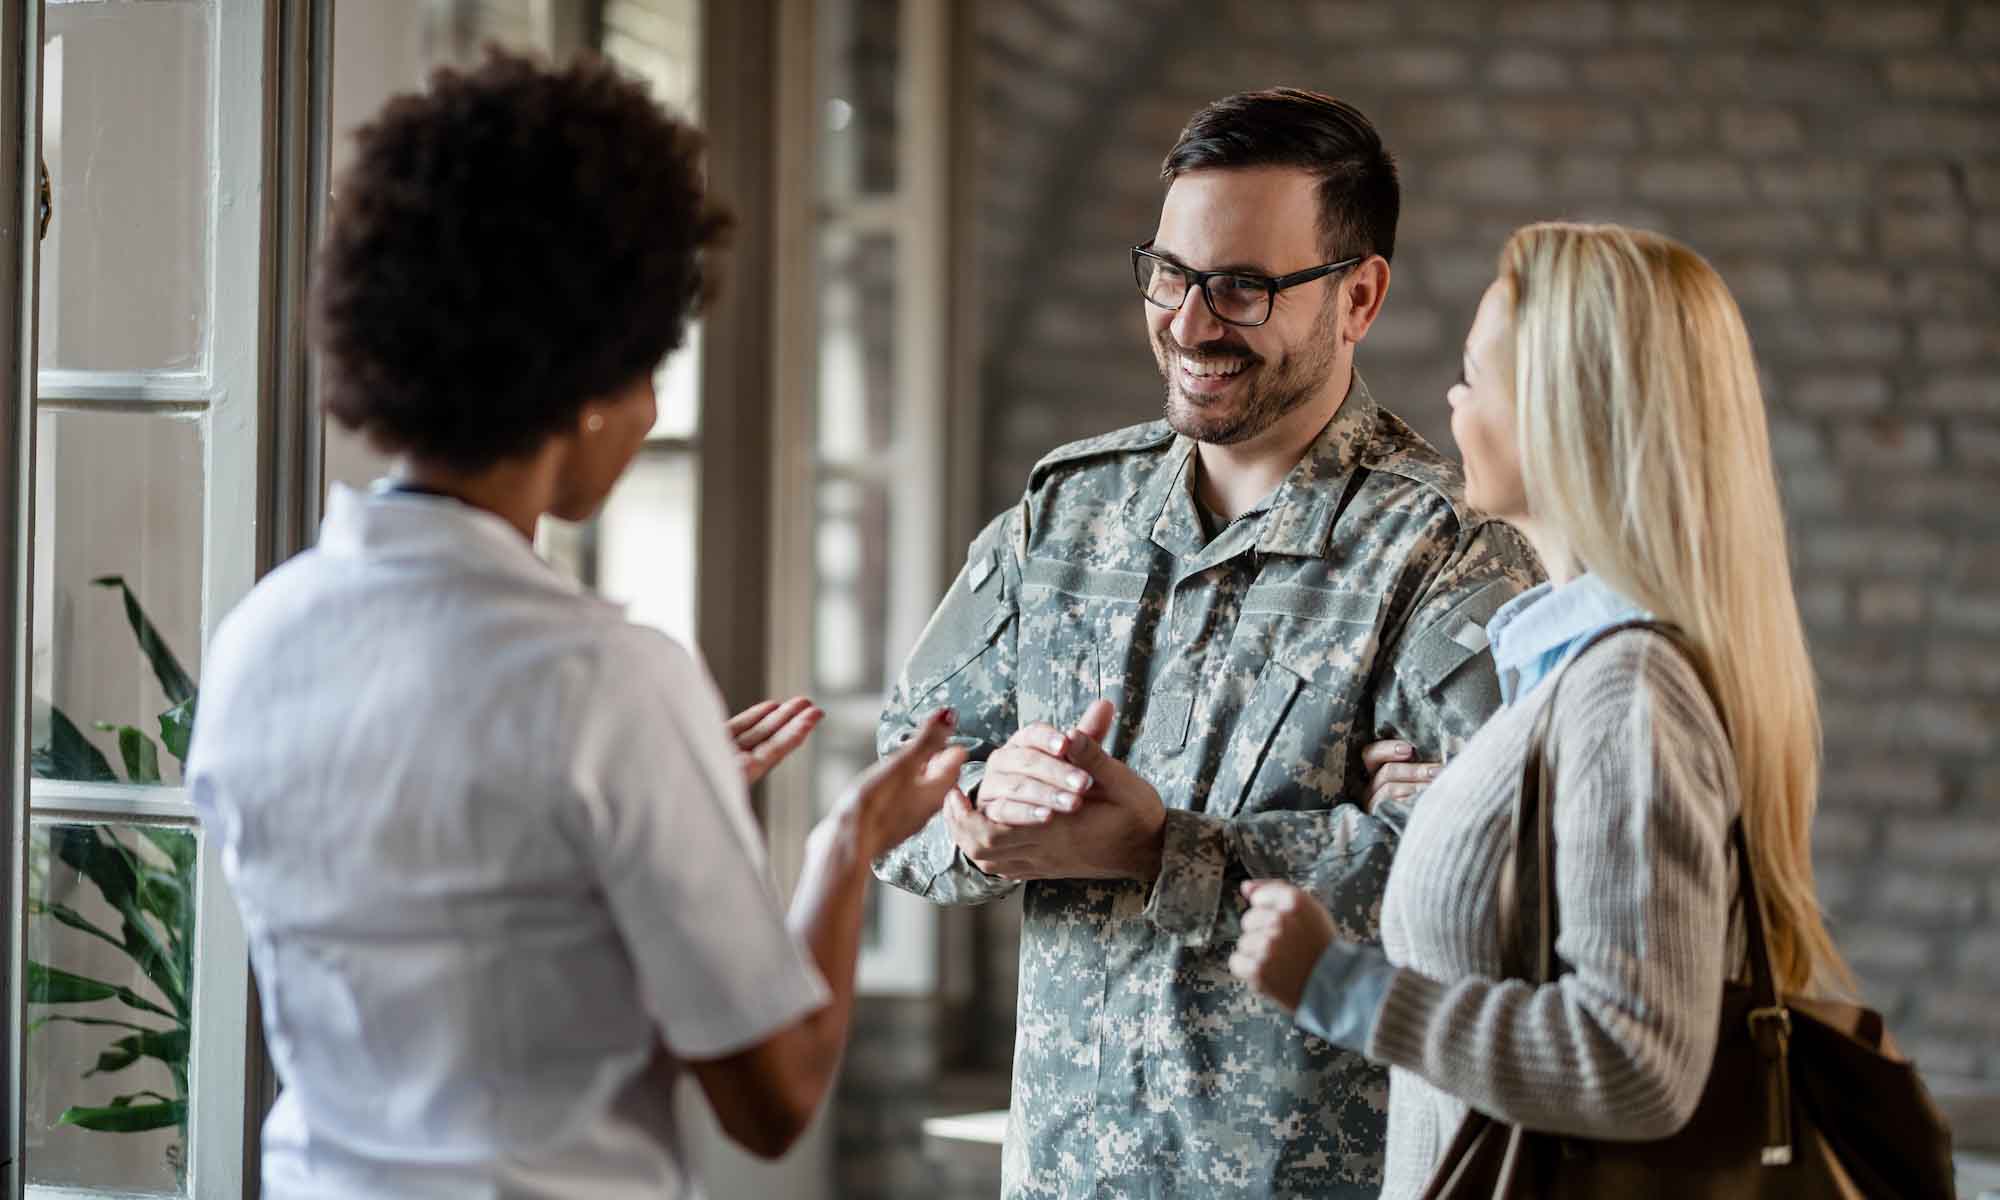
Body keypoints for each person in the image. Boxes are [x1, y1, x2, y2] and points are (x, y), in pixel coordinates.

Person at [185, 51, 963, 1198]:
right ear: (589, 372)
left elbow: (460, 948)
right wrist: (846, 846)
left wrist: (664, 803)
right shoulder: (606, 681)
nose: (651, 412)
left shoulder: (260, 636)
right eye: (652, 366)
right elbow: (777, 1094)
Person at [873, 89, 1542, 1198]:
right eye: (1170, 273)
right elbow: (897, 790)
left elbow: (1499, 895)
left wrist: (1164, 851)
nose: (1187, 323)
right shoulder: (1061, 517)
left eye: (1241, 287)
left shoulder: (1448, 557)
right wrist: (985, 814)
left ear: (1358, 296)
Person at [1231, 222, 1853, 1198]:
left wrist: (1337, 987)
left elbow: (1632, 1064)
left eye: (1473, 377)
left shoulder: (1625, 691)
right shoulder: (1587, 678)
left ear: (1561, 413)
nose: (1448, 399)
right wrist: (1476, 809)